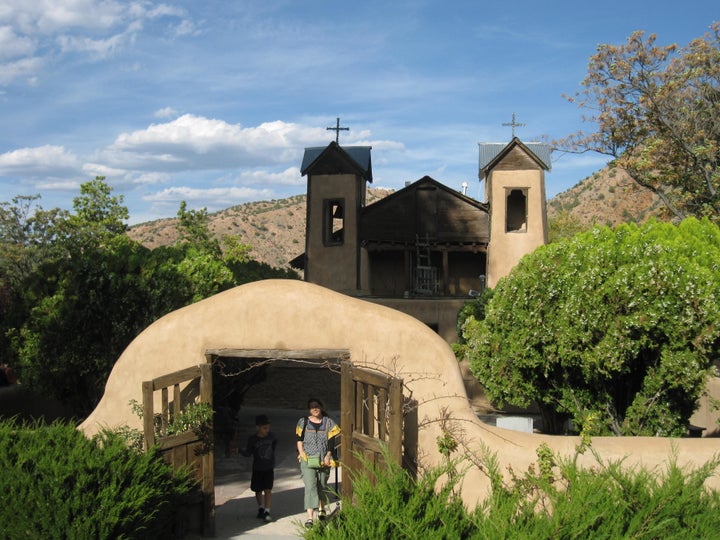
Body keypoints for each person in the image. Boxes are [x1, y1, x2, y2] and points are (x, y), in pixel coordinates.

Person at [296, 398, 340, 529]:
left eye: (316, 406)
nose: (314, 409)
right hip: (307, 460)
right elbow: (299, 440)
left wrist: (328, 456)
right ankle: (310, 517)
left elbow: (332, 442)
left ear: (321, 407)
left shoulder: (329, 423)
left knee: (322, 485)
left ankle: (322, 509)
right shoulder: (303, 422)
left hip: (323, 460)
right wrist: (302, 454)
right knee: (310, 486)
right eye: (311, 407)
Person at [240, 414, 277, 523]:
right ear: (258, 428)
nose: (267, 430)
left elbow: (273, 447)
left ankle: (267, 510)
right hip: (257, 467)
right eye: (264, 428)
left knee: (268, 489)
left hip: (268, 467)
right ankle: (260, 507)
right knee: (257, 489)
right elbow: (248, 452)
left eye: (268, 427)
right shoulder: (253, 439)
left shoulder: (272, 437)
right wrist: (239, 450)